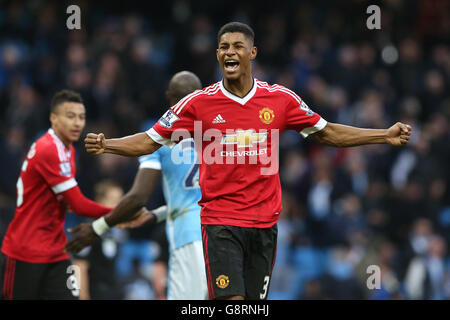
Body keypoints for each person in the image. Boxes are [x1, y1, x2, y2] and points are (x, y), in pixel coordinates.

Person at [66, 22, 412, 300]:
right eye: (223, 47)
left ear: (252, 53)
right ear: (218, 55)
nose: (229, 52)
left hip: (264, 225)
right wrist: (108, 145)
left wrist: (382, 135)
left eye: (237, 47)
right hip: (221, 224)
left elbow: (328, 133)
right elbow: (149, 140)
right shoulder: (198, 104)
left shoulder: (279, 100)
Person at [69, 71, 207, 299]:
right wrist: (156, 216)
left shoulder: (162, 138)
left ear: (169, 97)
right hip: (223, 236)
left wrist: (98, 227)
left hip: (187, 237)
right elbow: (200, 200)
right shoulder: (218, 136)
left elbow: (138, 197)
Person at [0, 90, 115, 300]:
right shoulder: (49, 149)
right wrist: (120, 214)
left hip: (55, 250)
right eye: (70, 116)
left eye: (81, 117)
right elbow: (78, 205)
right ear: (53, 118)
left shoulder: (69, 150)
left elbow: (65, 201)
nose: (77, 123)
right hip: (25, 251)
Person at [71, 180, 125, 300]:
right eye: (113, 200)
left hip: (113, 291)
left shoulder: (117, 228)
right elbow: (79, 265)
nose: (117, 205)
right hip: (95, 292)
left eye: (120, 200)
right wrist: (83, 296)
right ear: (100, 200)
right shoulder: (89, 229)